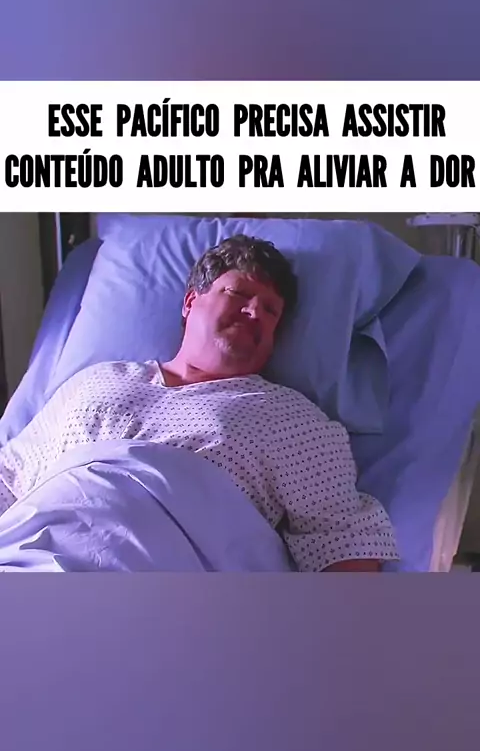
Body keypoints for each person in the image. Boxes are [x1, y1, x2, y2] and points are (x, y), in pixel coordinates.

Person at [0, 235, 398, 572]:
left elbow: (342, 540)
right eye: (238, 294)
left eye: (270, 311)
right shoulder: (96, 382)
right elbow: (10, 478)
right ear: (191, 301)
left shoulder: (290, 417)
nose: (254, 311)